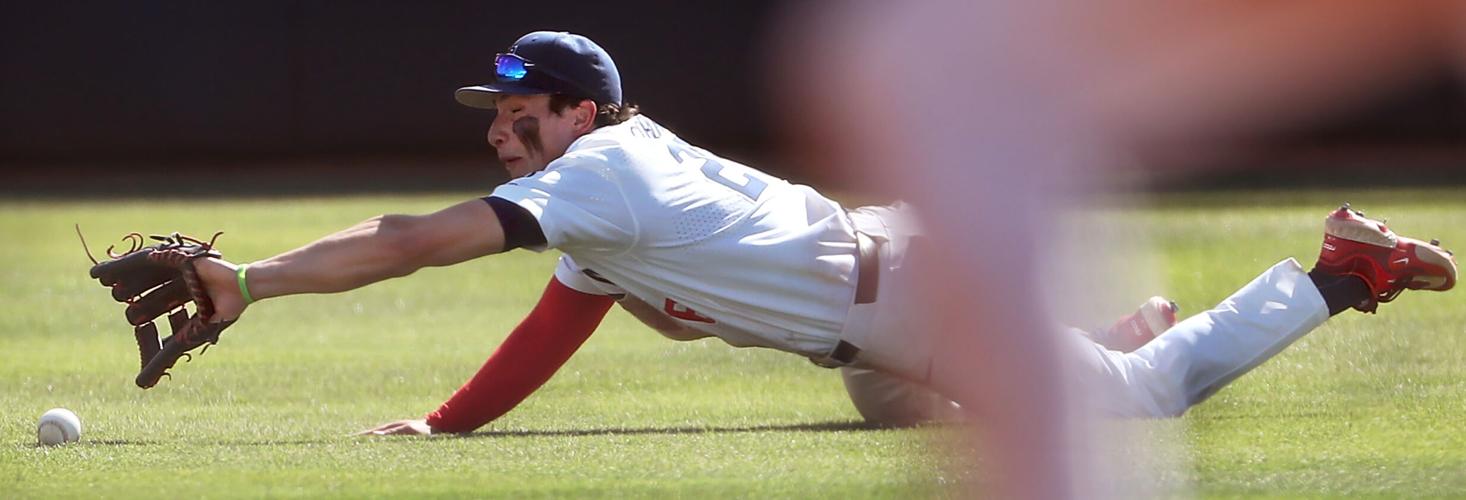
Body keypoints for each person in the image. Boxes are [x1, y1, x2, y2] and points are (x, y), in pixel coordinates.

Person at [179, 31, 1456, 435]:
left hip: (901, 289)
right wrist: (450, 423)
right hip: (872, 292)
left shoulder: (603, 173)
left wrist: (255, 281)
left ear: (581, 110)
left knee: (1141, 400)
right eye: (495, 114)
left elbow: (412, 239)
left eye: (521, 113)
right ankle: (1058, 338)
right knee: (894, 410)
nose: (500, 131)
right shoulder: (605, 182)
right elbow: (556, 316)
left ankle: (1341, 267)